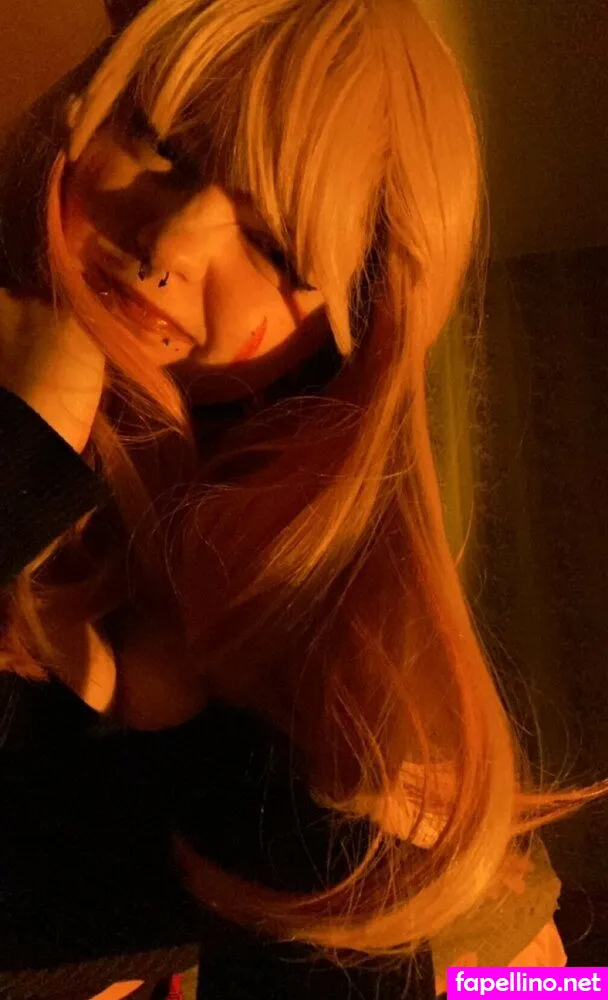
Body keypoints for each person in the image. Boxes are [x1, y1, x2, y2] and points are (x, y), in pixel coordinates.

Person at [0, 0, 604, 997]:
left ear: (350, 329)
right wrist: (23, 446)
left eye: (276, 248)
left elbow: (538, 975)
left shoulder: (324, 631)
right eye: (162, 145)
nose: (169, 242)